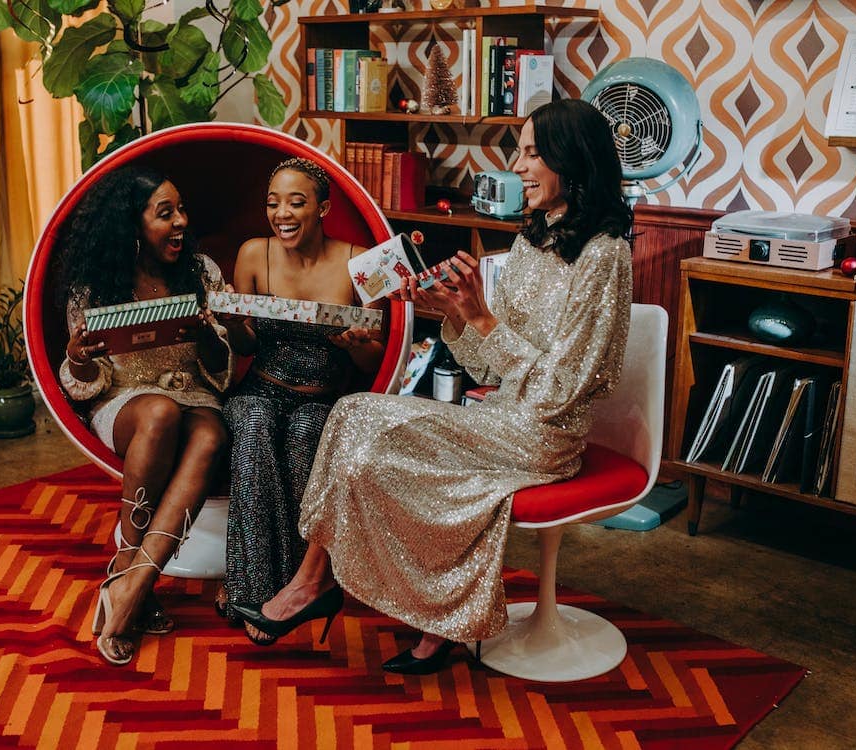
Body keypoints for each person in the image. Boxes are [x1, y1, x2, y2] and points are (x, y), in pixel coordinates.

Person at [230, 98, 634, 674]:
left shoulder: (605, 256)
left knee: (368, 431)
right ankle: (319, 580)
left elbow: (563, 389)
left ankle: (354, 595)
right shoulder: (533, 239)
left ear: (574, 161)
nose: (517, 166)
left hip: (546, 437)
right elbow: (489, 371)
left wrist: (486, 320)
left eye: (532, 153)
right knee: (350, 413)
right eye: (519, 150)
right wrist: (452, 313)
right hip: (501, 414)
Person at [57, 165, 232, 666]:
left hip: (195, 393)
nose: (180, 222)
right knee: (159, 414)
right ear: (133, 226)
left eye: (181, 210)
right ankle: (127, 574)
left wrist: (204, 337)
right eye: (164, 213)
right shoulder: (96, 285)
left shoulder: (201, 272)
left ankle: (133, 586)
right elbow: (84, 383)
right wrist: (77, 357)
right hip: (127, 402)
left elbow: (220, 369)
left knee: (209, 436)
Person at [217, 157, 386, 645]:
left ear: (324, 208)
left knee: (308, 431)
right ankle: (249, 584)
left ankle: (299, 587)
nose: (281, 213)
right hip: (262, 388)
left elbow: (379, 364)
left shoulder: (365, 261)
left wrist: (359, 344)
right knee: (252, 420)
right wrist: (232, 324)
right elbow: (247, 345)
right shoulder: (253, 254)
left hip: (324, 398)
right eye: (273, 203)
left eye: (296, 201)